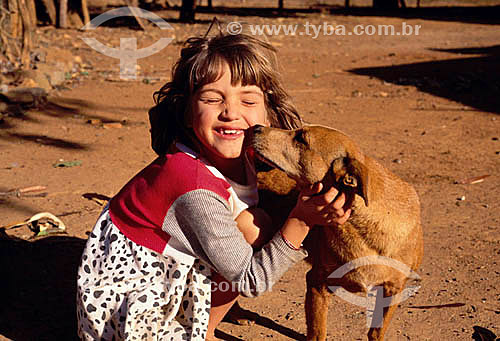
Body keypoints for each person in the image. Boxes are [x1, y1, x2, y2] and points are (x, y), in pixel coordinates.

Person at [76, 32, 351, 340]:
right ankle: (199, 333)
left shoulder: (244, 150)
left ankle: (203, 327)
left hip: (167, 267)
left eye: (247, 100)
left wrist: (327, 206)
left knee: (254, 222)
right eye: (211, 99)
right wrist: (302, 221)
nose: (231, 113)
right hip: (131, 309)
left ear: (267, 111)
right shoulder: (193, 187)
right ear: (188, 112)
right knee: (256, 227)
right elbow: (251, 281)